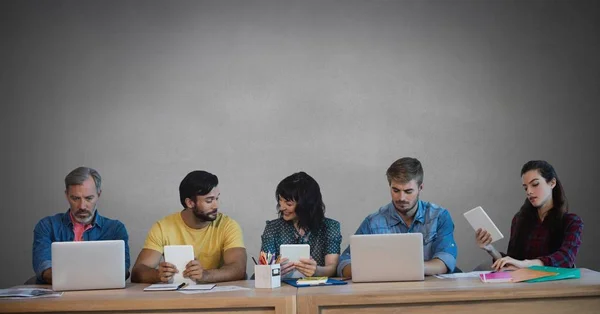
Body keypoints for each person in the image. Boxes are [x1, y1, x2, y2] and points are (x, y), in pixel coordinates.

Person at [337, 157, 457, 278]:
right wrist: (383, 271)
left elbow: (445, 262)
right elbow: (344, 263)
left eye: (408, 191)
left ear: (420, 188)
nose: (401, 198)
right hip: (386, 291)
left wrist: (405, 269)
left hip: (429, 290)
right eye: (396, 190)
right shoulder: (373, 222)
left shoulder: (439, 216)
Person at [131, 170, 246, 283]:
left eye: (217, 198)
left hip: (218, 297)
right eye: (209, 200)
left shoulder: (228, 225)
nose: (216, 205)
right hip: (177, 297)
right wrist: (158, 275)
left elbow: (238, 269)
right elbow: (138, 271)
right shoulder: (163, 227)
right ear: (190, 203)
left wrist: (205, 275)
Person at [475, 160, 583, 271]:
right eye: (525, 188)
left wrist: (525, 264)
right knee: (480, 269)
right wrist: (490, 249)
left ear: (552, 183)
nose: (529, 192)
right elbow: (513, 261)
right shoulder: (520, 219)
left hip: (554, 284)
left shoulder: (571, 221)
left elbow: (566, 258)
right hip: (522, 283)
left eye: (535, 184)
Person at [32, 167, 130, 284]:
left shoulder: (115, 229)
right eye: (75, 198)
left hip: (100, 296)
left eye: (89, 198)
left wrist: (69, 276)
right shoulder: (47, 226)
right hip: (55, 298)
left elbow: (122, 270)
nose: (82, 206)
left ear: (99, 194)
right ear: (67, 195)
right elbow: (43, 268)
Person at [261, 172, 341, 277]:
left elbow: (332, 267)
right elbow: (264, 266)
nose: (282, 208)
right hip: (281, 289)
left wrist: (316, 271)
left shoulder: (330, 227)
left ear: (306, 205)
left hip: (318, 289)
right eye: (280, 202)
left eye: (288, 204)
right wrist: (273, 270)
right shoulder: (273, 228)